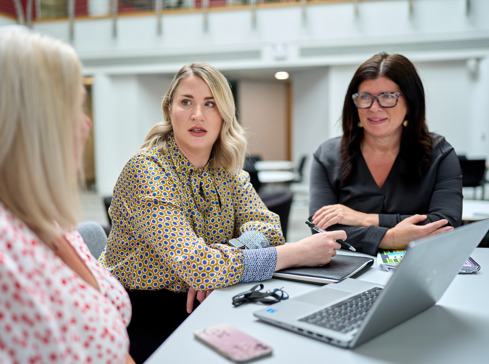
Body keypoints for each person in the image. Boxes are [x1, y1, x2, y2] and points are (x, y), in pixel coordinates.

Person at [99, 62, 345, 363]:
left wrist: (225, 253)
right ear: (169, 110)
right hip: (142, 314)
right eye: (186, 102)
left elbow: (269, 228)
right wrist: (296, 253)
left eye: (210, 104)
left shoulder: (226, 171)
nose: (197, 114)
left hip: (210, 296)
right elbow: (199, 266)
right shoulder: (147, 171)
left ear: (224, 115)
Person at [0, 26, 134, 363]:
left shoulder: (54, 221)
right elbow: (191, 260)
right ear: (33, 123)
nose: (86, 124)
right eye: (74, 108)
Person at [309, 52, 463, 256]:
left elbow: (445, 224)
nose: (374, 107)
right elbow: (320, 228)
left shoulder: (440, 154)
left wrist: (363, 219)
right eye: (365, 97)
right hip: (350, 273)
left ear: (410, 102)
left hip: (421, 269)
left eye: (388, 96)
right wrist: (388, 238)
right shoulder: (327, 156)